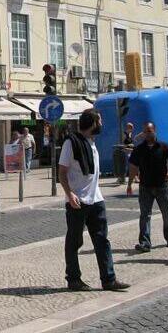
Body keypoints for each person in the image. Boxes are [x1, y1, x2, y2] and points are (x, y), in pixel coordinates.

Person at [59, 109, 129, 292]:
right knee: (74, 241)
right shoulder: (71, 143)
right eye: (100, 121)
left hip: (96, 199)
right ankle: (73, 279)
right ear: (93, 123)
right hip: (78, 200)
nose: (102, 124)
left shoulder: (91, 142)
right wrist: (69, 194)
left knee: (102, 240)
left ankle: (109, 279)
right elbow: (62, 172)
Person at [126, 123, 168, 252]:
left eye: (150, 131)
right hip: (145, 187)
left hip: (162, 186)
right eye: (145, 132)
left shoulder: (164, 147)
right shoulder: (139, 149)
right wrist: (130, 184)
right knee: (145, 215)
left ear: (155, 131)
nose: (148, 134)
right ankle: (145, 243)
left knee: (167, 214)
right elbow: (133, 167)